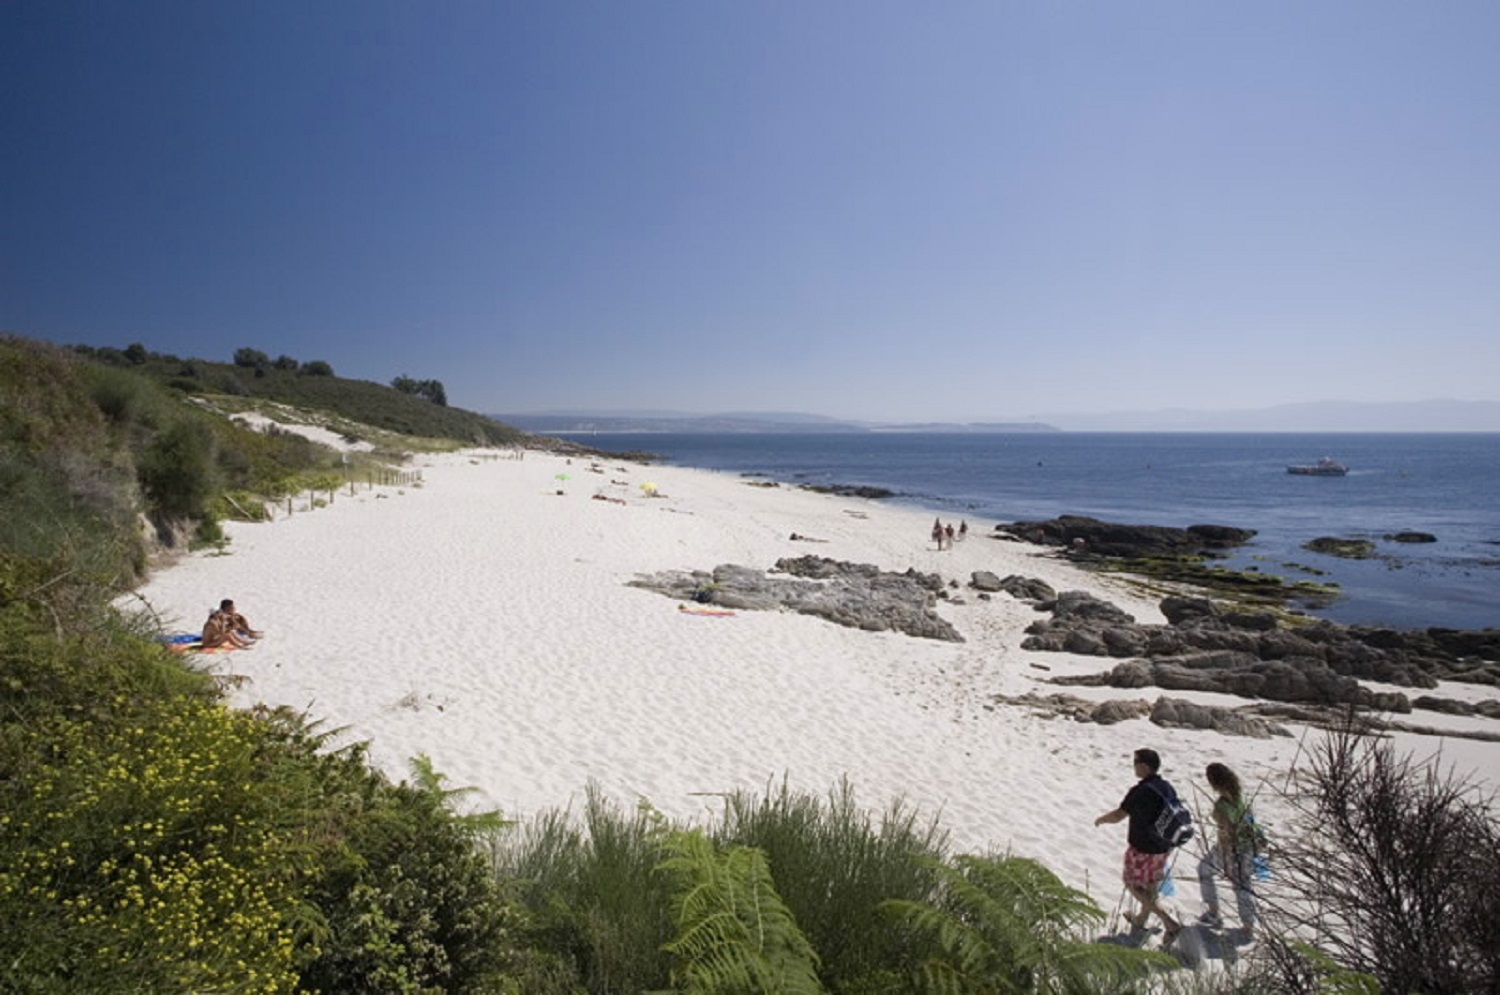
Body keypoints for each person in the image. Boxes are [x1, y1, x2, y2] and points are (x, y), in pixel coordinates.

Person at [1095, 748, 1184, 944]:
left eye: (1135, 762)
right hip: (1164, 847)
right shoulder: (1166, 787)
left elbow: (1119, 815)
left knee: (1131, 884)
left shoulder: (1140, 791)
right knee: (1151, 885)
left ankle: (1170, 923)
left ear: (1144, 766)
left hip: (1143, 847)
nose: (1133, 766)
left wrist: (1101, 820)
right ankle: (1140, 920)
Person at [1197, 762, 1259, 940]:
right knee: (1244, 885)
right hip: (1247, 846)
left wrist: (1226, 859)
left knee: (1204, 870)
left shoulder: (1222, 806)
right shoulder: (1243, 798)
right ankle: (1248, 925)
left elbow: (1226, 834)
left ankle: (1213, 912)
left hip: (1232, 849)